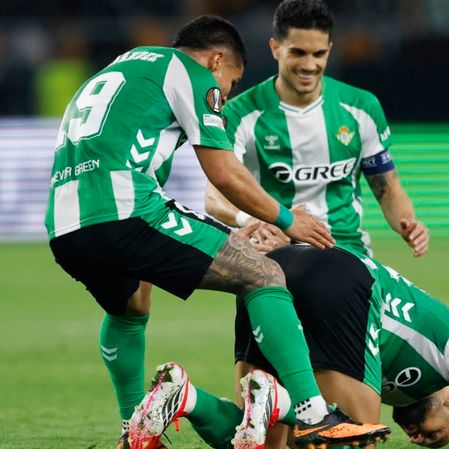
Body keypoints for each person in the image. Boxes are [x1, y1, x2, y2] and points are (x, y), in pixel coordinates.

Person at [44, 15, 388, 449]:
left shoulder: (124, 66)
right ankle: (313, 414)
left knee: (131, 307)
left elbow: (137, 163)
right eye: (231, 83)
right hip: (124, 210)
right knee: (263, 273)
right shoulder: (191, 73)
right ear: (217, 60)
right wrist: (287, 219)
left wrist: (220, 238)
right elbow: (224, 173)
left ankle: (135, 426)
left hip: (65, 225)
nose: (224, 97)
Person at [131, 245, 449, 449]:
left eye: (417, 439)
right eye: (435, 435)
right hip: (341, 277)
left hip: (273, 268)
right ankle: (281, 403)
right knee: (354, 441)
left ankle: (185, 397)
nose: (416, 437)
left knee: (259, 439)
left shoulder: (396, 375)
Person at [204, 0, 429, 258]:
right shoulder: (240, 114)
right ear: (275, 48)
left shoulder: (362, 107)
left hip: (348, 252)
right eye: (298, 53)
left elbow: (388, 190)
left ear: (330, 50)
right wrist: (252, 221)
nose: (309, 65)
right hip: (276, 251)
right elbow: (213, 197)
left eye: (318, 54)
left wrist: (408, 224)